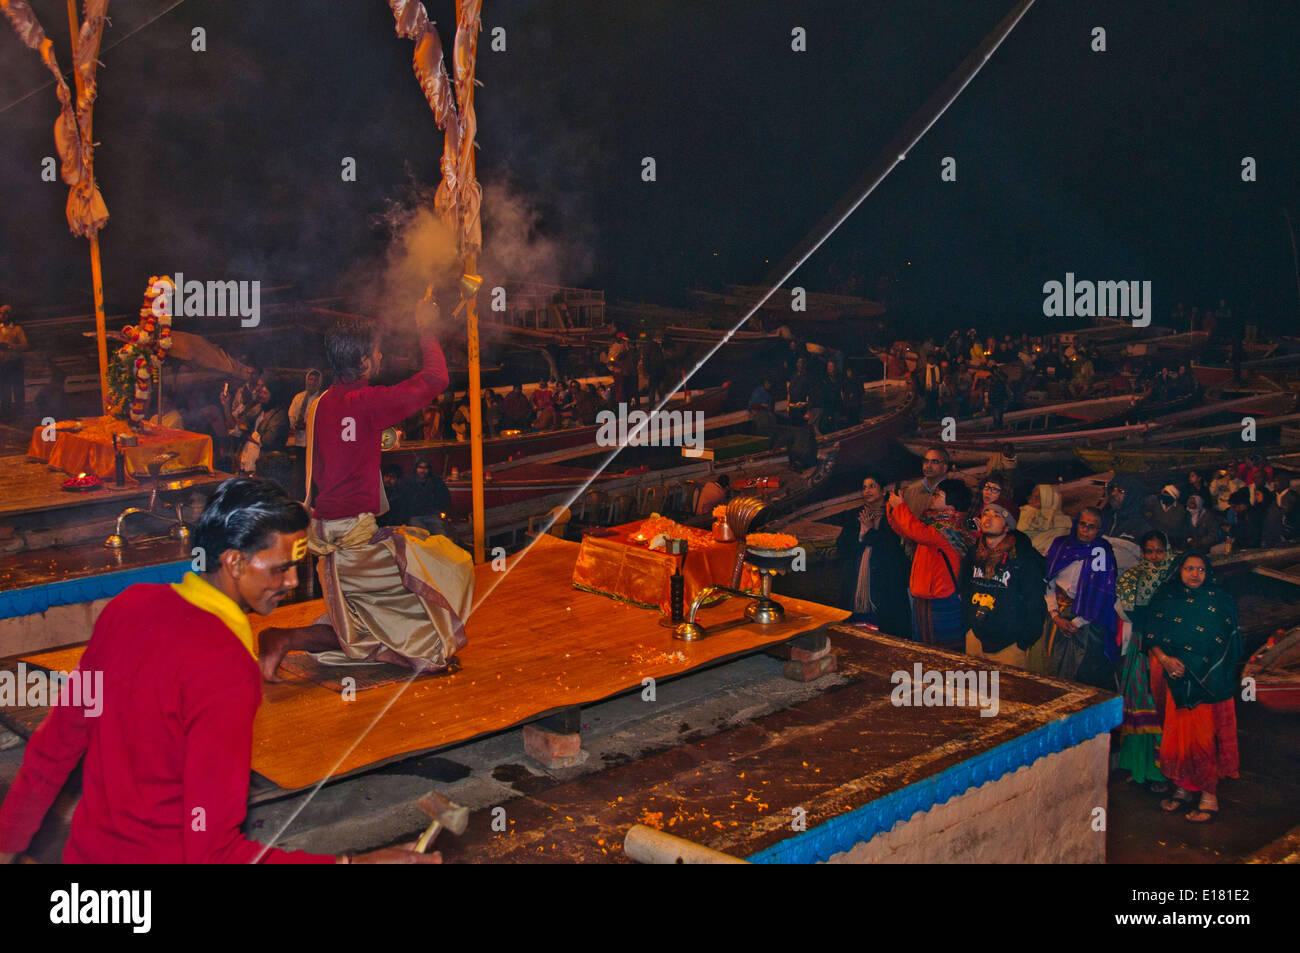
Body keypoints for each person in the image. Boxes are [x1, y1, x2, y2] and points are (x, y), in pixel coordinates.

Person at [0, 478, 435, 864]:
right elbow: (214, 852)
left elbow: (54, 747)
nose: (291, 582)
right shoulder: (226, 668)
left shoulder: (129, 607)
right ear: (233, 563)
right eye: (281, 568)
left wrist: (8, 841)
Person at [258, 301, 473, 680]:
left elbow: (331, 454)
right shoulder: (370, 402)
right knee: (446, 576)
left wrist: (377, 437)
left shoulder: (320, 402)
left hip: (328, 531)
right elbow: (437, 377)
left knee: (363, 627)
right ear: (362, 363)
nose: (381, 355)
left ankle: (286, 638)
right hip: (352, 538)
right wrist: (425, 326)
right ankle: (281, 637)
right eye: (376, 352)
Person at [1141, 553, 1242, 822]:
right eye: (1189, 568)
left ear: (1208, 572)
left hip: (1207, 685)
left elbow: (1231, 646)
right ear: (1179, 571)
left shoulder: (1220, 602)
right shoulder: (1166, 599)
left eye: (1200, 569)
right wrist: (1165, 659)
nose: (1195, 574)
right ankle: (1183, 789)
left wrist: (1200, 669)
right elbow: (1151, 634)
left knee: (1203, 739)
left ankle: (1209, 797)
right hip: (1174, 679)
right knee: (1177, 737)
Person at [1114, 531, 1178, 791]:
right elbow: (1127, 611)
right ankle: (1139, 767)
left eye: (1159, 551)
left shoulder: (1175, 579)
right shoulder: (1131, 577)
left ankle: (1160, 772)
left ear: (1167, 550)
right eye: (1149, 551)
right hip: (1140, 648)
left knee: (1159, 706)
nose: (1154, 557)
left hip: (1166, 650)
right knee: (1138, 701)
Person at [887, 478, 973, 647]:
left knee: (943, 650)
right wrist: (892, 508)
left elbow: (916, 531)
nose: (933, 497)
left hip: (942, 597)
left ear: (951, 506)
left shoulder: (950, 528)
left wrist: (900, 507)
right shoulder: (933, 523)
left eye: (938, 495)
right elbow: (906, 530)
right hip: (925, 596)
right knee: (924, 646)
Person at [961, 495, 1046, 667]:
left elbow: (1035, 602)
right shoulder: (973, 553)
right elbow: (963, 588)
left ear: (1008, 526)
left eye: (997, 515)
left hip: (1010, 646)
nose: (988, 518)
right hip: (975, 638)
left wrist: (1023, 642)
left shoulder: (1023, 558)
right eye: (986, 514)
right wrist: (968, 626)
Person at [1042, 507, 1119, 688]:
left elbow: (1104, 595)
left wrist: (1077, 622)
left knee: (1084, 673)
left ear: (1099, 530)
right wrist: (1055, 615)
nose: (1085, 530)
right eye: (1083, 524)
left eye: (1091, 527)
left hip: (1088, 622)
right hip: (1057, 616)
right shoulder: (1061, 545)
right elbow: (1047, 582)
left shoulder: (1103, 552)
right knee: (1054, 669)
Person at [837, 473, 910, 636]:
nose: (867, 491)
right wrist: (861, 535)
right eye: (864, 487)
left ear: (883, 491)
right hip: (857, 581)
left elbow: (893, 549)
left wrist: (869, 532)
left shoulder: (893, 514)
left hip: (885, 582)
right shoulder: (856, 515)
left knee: (886, 629)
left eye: (872, 486)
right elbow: (841, 546)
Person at [236, 378, 289, 476]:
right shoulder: (260, 408)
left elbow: (267, 441)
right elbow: (243, 422)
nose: (261, 396)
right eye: (261, 393)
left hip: (266, 463)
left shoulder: (280, 415)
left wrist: (249, 436)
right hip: (249, 459)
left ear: (273, 395)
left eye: (265, 393)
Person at [1017, 483, 1073, 555]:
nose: (1030, 502)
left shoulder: (1061, 526)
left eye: (1037, 498)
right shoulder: (1025, 514)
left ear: (1048, 502)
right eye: (1031, 497)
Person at [401, 457, 453, 534]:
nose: (422, 470)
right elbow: (403, 501)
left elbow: (445, 498)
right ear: (416, 468)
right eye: (420, 467)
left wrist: (438, 511)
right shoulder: (408, 482)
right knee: (422, 538)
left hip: (433, 515)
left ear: (429, 469)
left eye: (425, 468)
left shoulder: (436, 482)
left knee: (441, 537)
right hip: (415, 517)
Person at [1098, 475, 1151, 541]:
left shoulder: (1141, 527)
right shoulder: (1106, 518)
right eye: (1112, 489)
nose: (1113, 494)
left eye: (1121, 491)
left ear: (1133, 495)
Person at [903, 446, 948, 523]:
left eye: (935, 462)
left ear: (945, 467)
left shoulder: (953, 491)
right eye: (926, 461)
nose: (928, 466)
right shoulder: (910, 490)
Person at [0, 304, 28, 417]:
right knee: (4, 389)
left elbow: (25, 345)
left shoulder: (17, 329)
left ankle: (19, 412)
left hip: (15, 363)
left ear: (10, 315)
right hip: (2, 364)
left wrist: (11, 346)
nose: (2, 315)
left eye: (4, 313)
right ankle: (6, 413)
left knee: (18, 388)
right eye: (1, 313)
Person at [287, 368, 324, 447]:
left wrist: (309, 425)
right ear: (307, 380)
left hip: (314, 442)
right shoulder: (299, 397)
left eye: (316, 380)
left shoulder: (322, 399)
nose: (313, 382)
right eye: (311, 379)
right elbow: (291, 415)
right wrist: (296, 425)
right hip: (299, 440)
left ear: (319, 383)